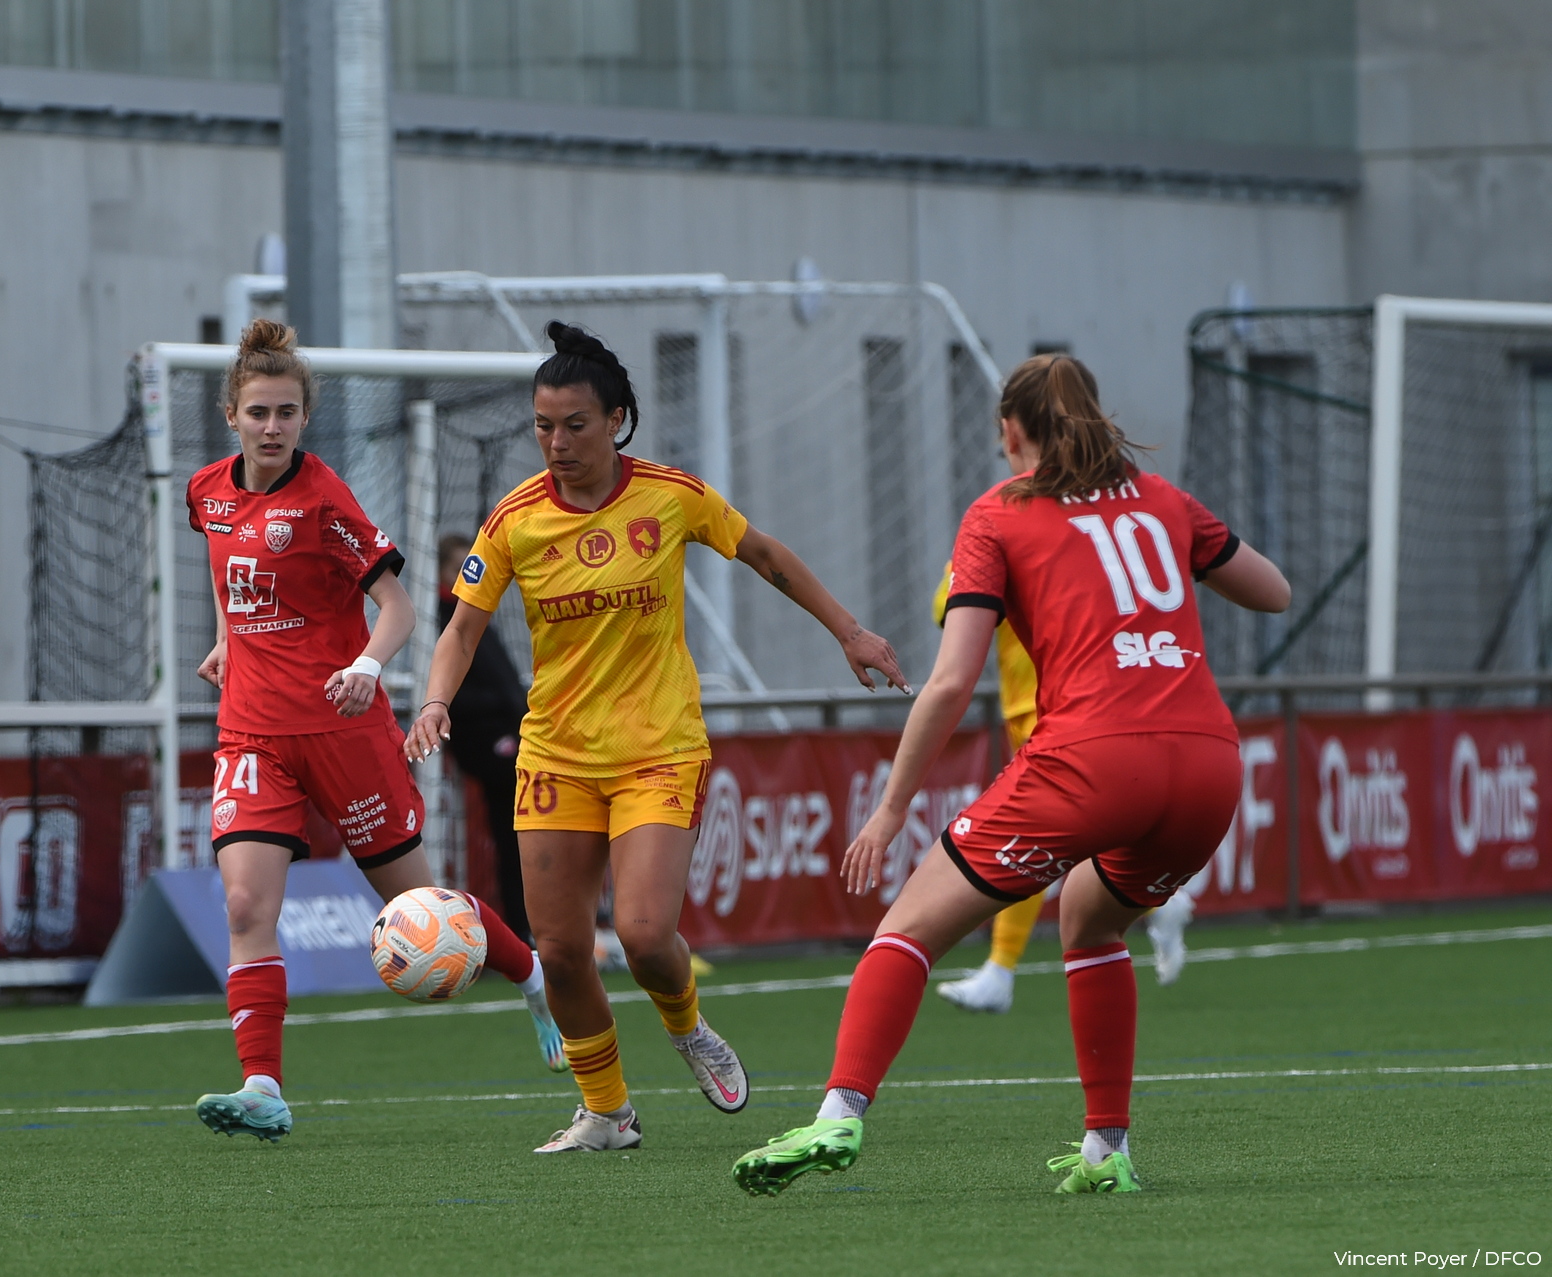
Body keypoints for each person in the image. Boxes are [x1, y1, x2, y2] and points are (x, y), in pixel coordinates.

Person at [731, 353, 1290, 1196]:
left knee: (908, 926)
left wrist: (890, 808)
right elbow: (1274, 592)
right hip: (1208, 766)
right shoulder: (1164, 499)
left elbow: (952, 680)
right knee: (1090, 919)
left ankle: (837, 1113)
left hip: (1093, 759)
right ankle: (1107, 1152)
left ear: (1011, 430)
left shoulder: (999, 513)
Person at [408, 322, 908, 1155]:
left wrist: (849, 631)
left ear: (616, 420)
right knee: (561, 950)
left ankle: (687, 1026)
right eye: (543, 426)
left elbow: (764, 553)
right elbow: (461, 629)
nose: (556, 443)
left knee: (643, 934)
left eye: (575, 424)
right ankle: (607, 1113)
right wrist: (434, 701)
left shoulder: (671, 495)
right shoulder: (514, 520)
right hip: (556, 753)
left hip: (658, 747)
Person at [188, 320, 566, 1146]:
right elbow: (226, 571)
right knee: (245, 902)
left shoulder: (324, 498)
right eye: (258, 412)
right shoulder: (206, 492)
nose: (273, 426)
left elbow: (398, 607)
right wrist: (226, 637)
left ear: (304, 416)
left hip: (342, 731)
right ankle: (263, 1086)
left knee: (418, 905)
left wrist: (366, 663)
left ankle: (532, 973)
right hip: (252, 734)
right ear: (231, 414)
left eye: (287, 412)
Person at [931, 564, 1196, 1014]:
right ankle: (1158, 903)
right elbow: (948, 610)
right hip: (1031, 708)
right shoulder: (994, 545)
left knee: (1030, 835)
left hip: (1064, 709)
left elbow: (950, 609)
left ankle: (1000, 971)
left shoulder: (1053, 544)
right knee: (1071, 834)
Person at [437, 532, 532, 942]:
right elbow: (458, 692)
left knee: (521, 834)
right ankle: (520, 928)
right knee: (514, 836)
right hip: (488, 741)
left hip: (510, 734)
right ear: (442, 572)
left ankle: (529, 925)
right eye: (459, 567)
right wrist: (505, 717)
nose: (468, 575)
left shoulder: (478, 616)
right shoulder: (445, 620)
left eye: (472, 566)